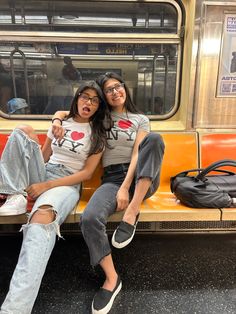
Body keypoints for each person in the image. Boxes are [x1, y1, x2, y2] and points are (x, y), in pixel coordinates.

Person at [53, 72, 165, 314]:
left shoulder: (140, 119)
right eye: (109, 90)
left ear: (125, 88)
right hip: (112, 178)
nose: (115, 92)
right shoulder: (99, 118)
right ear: (104, 97)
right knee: (90, 218)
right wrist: (56, 119)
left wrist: (127, 190)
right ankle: (112, 279)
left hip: (142, 176)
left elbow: (138, 153)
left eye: (118, 86)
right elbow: (66, 112)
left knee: (155, 140)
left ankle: (132, 211)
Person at [0, 80, 108, 314]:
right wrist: (56, 122)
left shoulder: (98, 134)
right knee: (23, 130)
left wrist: (46, 186)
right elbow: (45, 154)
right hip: (45, 170)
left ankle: (14, 310)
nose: (88, 102)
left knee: (41, 219)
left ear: (98, 106)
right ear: (77, 97)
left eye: (94, 100)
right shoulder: (62, 121)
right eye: (84, 96)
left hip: (66, 182)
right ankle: (14, 193)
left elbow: (86, 173)